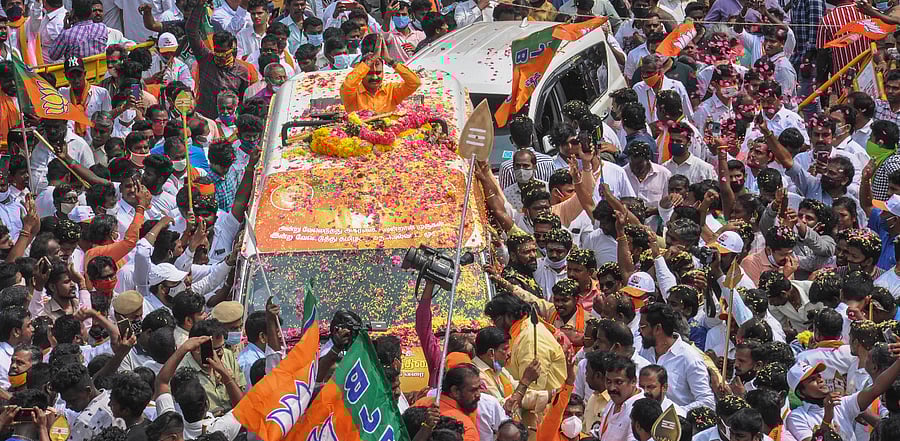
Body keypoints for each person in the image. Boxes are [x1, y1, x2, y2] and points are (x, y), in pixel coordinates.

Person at [638, 302, 715, 411]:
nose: (639, 331)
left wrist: (673, 414)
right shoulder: (646, 350)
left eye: (643, 327)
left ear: (658, 328)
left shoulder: (689, 358)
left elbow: (707, 402)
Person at [484, 294, 567, 392]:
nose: (495, 325)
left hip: (544, 404)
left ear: (509, 316)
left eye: (496, 320)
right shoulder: (519, 331)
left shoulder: (530, 338)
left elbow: (534, 390)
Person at [185, 0, 251, 119]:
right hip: (204, 118)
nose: (221, 56)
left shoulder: (242, 71)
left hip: (229, 121)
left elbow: (243, 99)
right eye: (218, 51)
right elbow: (191, 32)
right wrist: (200, 6)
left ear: (232, 49)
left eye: (224, 52)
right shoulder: (206, 59)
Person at [340, 49, 420, 113]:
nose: (374, 77)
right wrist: (367, 64)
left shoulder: (391, 90)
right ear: (362, 72)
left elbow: (415, 83)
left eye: (378, 73)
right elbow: (347, 85)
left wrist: (390, 61)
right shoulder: (352, 94)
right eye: (369, 73)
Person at [59, 57, 112, 139]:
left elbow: (107, 120)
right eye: (71, 76)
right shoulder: (62, 94)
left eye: (79, 75)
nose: (76, 80)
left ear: (85, 74)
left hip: (94, 141)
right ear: (66, 76)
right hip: (71, 142)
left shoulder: (101, 94)